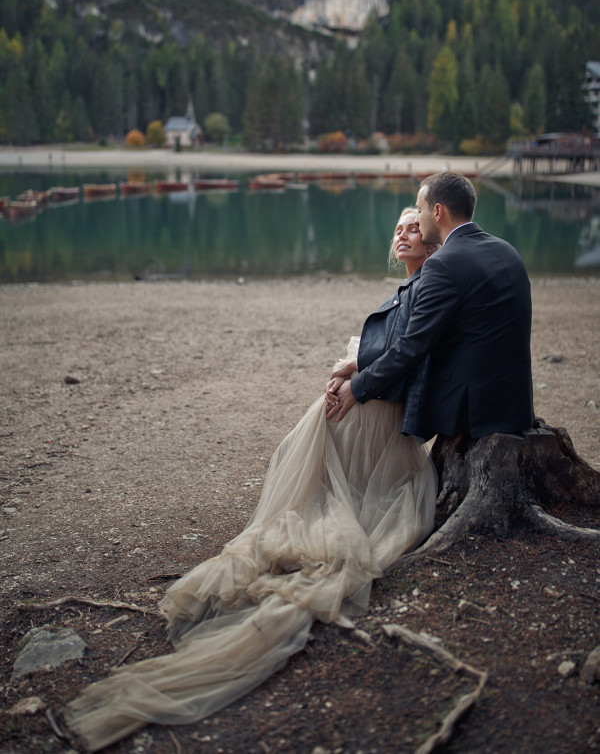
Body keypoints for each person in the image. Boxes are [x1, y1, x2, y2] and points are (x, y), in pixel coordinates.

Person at [65, 209, 438, 752]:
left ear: (432, 239)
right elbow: (388, 350)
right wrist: (346, 373)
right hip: (363, 408)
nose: (403, 233)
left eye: (413, 227)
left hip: (379, 419)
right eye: (399, 227)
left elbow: (403, 358)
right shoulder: (410, 287)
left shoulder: (427, 287)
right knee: (309, 480)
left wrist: (351, 374)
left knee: (336, 505)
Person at [329, 171, 535, 443]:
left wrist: (358, 388)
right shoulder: (506, 250)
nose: (418, 214)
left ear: (437, 211)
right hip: (515, 403)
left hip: (473, 411)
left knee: (357, 395)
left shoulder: (443, 264)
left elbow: (413, 345)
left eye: (420, 208)